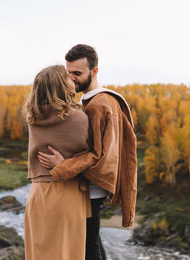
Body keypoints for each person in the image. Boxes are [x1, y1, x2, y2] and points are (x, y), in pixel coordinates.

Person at [38, 44, 137, 260]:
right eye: (69, 73)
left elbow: (100, 155)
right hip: (88, 186)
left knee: (86, 242)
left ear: (94, 71)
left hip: (90, 188)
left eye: (77, 73)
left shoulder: (99, 104)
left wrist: (62, 165)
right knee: (91, 240)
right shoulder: (92, 100)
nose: (71, 79)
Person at [24, 65, 91, 260]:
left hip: (37, 194)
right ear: (61, 86)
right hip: (65, 194)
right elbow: (94, 157)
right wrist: (64, 164)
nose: (73, 80)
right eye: (68, 78)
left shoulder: (33, 118)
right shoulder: (78, 118)